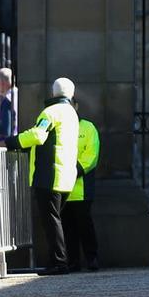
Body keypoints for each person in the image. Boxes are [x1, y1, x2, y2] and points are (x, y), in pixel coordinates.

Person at [5, 77, 80, 276]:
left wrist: (11, 142)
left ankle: (58, 262)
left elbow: (38, 135)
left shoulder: (51, 112)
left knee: (51, 221)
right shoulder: (72, 113)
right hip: (66, 176)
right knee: (56, 220)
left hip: (49, 174)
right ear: (71, 94)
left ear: (53, 92)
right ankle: (58, 260)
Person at [62, 103, 101, 272]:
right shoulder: (60, 126)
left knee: (85, 225)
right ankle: (73, 261)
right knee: (68, 227)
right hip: (63, 186)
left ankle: (91, 258)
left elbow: (91, 155)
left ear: (76, 106)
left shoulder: (87, 127)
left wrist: (75, 170)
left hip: (81, 187)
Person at [0, 67, 18, 146]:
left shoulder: (8, 101)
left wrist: (1, 143)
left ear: (2, 83)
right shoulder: (19, 95)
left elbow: (6, 130)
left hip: (11, 144)